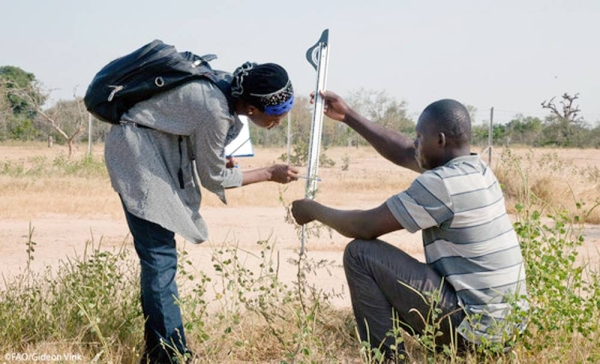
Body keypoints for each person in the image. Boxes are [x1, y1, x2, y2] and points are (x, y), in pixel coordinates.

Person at [291, 91, 528, 361]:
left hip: (473, 332)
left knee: (360, 254)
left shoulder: (442, 184)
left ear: (439, 141)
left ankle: (387, 359)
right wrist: (347, 116)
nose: (414, 143)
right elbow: (404, 151)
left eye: (419, 137)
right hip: (506, 331)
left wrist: (312, 210)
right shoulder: (478, 171)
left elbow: (365, 226)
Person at [104, 61, 299, 363]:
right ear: (250, 108)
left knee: (159, 259)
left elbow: (178, 124)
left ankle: (157, 351)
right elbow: (214, 178)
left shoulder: (224, 87)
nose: (278, 122)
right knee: (159, 258)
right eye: (275, 116)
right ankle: (171, 354)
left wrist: (217, 158)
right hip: (137, 157)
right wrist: (269, 173)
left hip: (155, 149)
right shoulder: (216, 111)